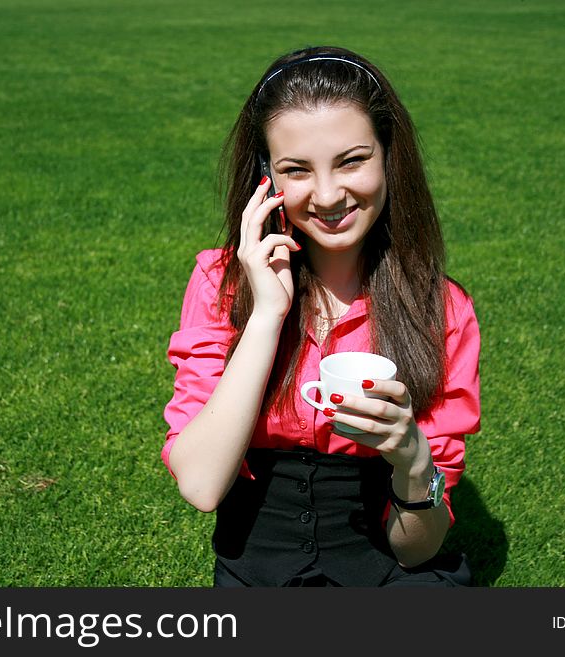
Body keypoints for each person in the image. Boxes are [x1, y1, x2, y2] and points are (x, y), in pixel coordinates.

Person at [162, 46, 481, 587]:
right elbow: (202, 485)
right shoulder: (222, 283)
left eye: (353, 160)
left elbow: (415, 551)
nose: (329, 194)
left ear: (388, 156)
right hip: (259, 566)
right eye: (296, 170)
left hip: (388, 566)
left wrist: (412, 462)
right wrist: (266, 314)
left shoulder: (440, 307)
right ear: (266, 176)